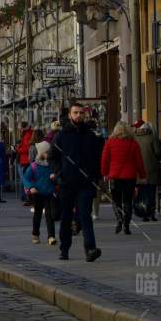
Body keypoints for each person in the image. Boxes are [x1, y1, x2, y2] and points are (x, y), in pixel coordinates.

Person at [51, 103, 105, 262]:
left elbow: (97, 158)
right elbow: (53, 157)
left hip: (86, 183)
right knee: (66, 216)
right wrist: (58, 172)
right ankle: (64, 248)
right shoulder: (61, 135)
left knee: (85, 215)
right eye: (76, 113)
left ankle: (90, 248)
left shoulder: (90, 135)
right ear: (70, 115)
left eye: (81, 113)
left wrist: (95, 175)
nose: (79, 115)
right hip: (67, 182)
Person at [102, 121, 146, 235]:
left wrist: (104, 173)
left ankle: (119, 220)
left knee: (116, 201)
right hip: (129, 177)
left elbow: (105, 160)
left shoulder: (110, 143)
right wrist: (142, 175)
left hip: (114, 176)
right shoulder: (133, 144)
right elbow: (139, 161)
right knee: (128, 202)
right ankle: (126, 225)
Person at [22, 141, 57, 245]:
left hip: (50, 193)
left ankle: (51, 236)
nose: (49, 154)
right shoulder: (34, 166)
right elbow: (25, 178)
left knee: (49, 215)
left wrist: (55, 177)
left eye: (49, 152)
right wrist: (31, 187)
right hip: (38, 193)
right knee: (37, 214)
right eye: (47, 152)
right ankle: (35, 234)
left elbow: (58, 174)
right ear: (41, 152)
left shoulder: (52, 164)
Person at [132, 120, 161, 222]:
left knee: (141, 192)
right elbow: (158, 152)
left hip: (138, 170)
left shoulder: (134, 139)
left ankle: (143, 213)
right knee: (151, 192)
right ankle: (151, 213)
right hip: (151, 169)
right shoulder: (152, 137)